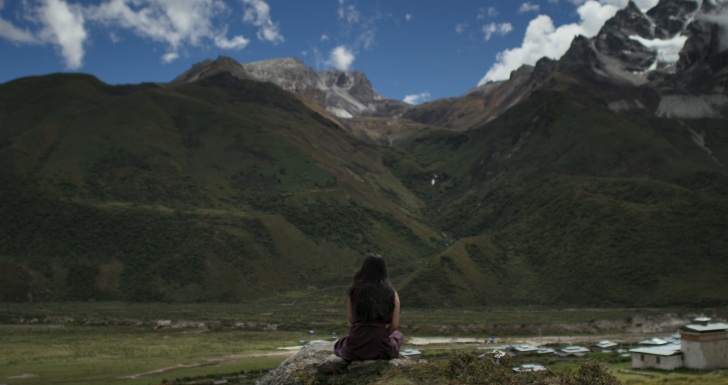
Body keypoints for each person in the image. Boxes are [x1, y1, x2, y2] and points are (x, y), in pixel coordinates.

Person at [334, 253, 403, 361]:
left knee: (341, 342)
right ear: (384, 270)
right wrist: (383, 334)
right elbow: (394, 326)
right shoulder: (392, 293)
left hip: (356, 346)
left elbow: (352, 319)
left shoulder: (354, 291)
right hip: (381, 347)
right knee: (398, 335)